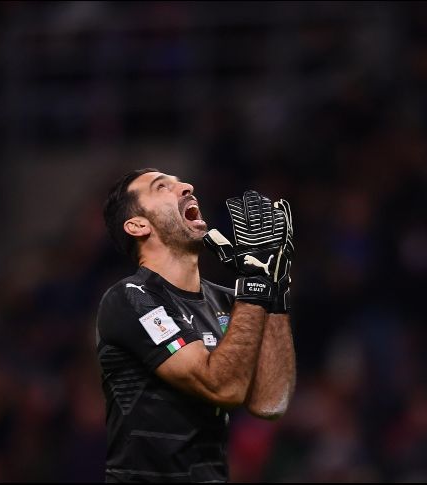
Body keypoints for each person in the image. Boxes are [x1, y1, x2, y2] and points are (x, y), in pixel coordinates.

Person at [96, 168, 295, 482]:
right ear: (138, 225)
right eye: (162, 187)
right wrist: (255, 283)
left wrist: (274, 288)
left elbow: (271, 402)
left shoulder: (232, 302)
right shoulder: (130, 298)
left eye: (181, 182)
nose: (187, 186)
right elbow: (221, 386)